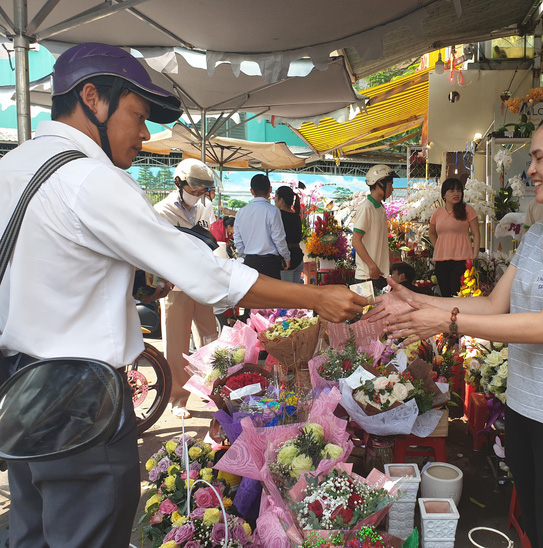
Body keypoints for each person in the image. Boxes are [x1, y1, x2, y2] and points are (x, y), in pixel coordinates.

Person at [0, 42, 366, 548]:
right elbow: (208, 275)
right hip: (82, 401)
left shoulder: (12, 169)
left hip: (22, 392)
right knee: (87, 531)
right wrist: (315, 299)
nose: (145, 134)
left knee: (32, 532)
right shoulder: (89, 178)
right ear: (92, 98)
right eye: (138, 115)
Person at [365, 107, 543, 548]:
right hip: (525, 409)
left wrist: (446, 321)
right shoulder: (539, 233)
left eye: (539, 158)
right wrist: (419, 301)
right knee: (535, 529)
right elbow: (494, 304)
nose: (529, 170)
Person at [154, 158, 219, 419]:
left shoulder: (206, 209)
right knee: (177, 343)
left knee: (210, 339)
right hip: (175, 287)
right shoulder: (162, 211)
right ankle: (178, 399)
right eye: (193, 189)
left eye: (202, 191)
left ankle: (212, 390)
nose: (197, 195)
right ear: (179, 183)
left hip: (202, 283)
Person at [429, 177, 480, 297]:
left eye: (459, 190)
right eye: (452, 190)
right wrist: (437, 247)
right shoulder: (438, 212)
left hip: (462, 260)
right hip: (441, 260)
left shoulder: (468, 210)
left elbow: (476, 234)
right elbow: (431, 233)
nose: (456, 193)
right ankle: (448, 316)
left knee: (457, 295)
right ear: (444, 195)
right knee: (445, 296)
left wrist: (475, 256)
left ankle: (458, 316)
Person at [234, 173, 290, 279]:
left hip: (250, 262)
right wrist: (286, 257)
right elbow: (278, 238)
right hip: (270, 263)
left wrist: (245, 256)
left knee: (252, 295)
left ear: (252, 191)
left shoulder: (241, 212)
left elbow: (238, 241)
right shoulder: (273, 211)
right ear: (270, 189)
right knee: (271, 294)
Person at [352, 164, 396, 291]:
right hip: (367, 276)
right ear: (380, 183)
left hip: (378, 275)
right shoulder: (367, 207)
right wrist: (372, 266)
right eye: (390, 184)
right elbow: (356, 240)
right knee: (367, 311)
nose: (392, 189)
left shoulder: (380, 208)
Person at [275, 185, 305, 283]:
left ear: (281, 200)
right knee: (295, 293)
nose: (274, 200)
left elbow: (279, 239)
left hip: (286, 259)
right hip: (298, 257)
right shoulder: (296, 216)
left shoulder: (278, 215)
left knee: (286, 295)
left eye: (275, 197)